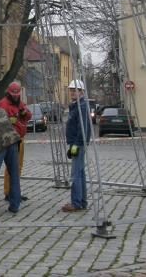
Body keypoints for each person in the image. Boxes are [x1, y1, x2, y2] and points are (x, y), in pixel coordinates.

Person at [0, 81, 31, 202]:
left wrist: (24, 113)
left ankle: (15, 191)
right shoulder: (3, 104)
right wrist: (11, 120)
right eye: (14, 94)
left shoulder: (19, 103)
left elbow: (29, 115)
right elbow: (0, 121)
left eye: (17, 94)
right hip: (10, 140)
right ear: (9, 93)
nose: (16, 96)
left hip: (20, 138)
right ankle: (8, 192)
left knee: (18, 166)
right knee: (11, 167)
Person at [62, 79, 91, 212]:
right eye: (71, 90)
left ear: (82, 92)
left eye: (76, 90)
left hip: (77, 144)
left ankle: (76, 202)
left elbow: (83, 129)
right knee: (80, 173)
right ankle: (82, 201)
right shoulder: (76, 105)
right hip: (76, 143)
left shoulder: (82, 107)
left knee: (75, 174)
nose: (73, 93)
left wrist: (75, 146)